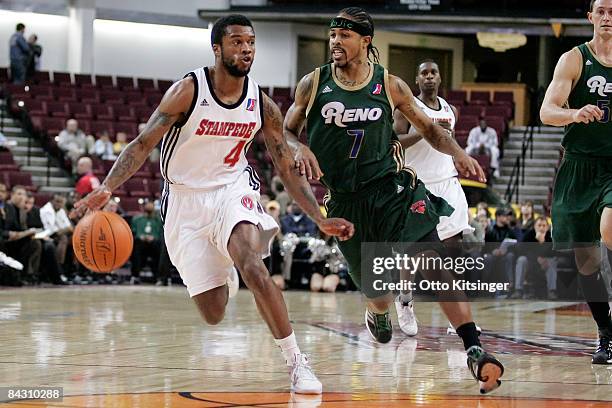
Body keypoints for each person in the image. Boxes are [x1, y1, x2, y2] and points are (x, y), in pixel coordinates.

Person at [75, 14, 354, 394]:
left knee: (254, 266)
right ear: (217, 48)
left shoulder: (261, 103)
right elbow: (142, 144)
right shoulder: (188, 91)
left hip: (231, 189)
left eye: (251, 42)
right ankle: (226, 268)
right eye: (237, 42)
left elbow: (286, 168)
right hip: (185, 201)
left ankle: (296, 362)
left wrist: (319, 218)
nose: (246, 49)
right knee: (213, 312)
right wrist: (108, 186)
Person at [283, 7, 503, 393]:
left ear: (366, 41)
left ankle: (474, 348)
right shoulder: (313, 83)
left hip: (393, 189)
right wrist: (298, 146)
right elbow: (285, 131)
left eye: (345, 35)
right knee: (378, 291)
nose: (335, 41)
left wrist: (459, 154)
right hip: (346, 201)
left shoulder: (390, 85)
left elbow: (430, 128)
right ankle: (377, 309)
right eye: (332, 34)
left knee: (433, 258)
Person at [540, 0, 612, 364]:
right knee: (585, 262)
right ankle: (606, 334)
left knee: (610, 227)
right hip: (579, 167)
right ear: (590, 17)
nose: (607, 17)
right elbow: (546, 111)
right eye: (601, 10)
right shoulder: (574, 59)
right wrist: (574, 112)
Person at [392, 59, 475, 337]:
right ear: (416, 80)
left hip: (447, 181)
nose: (429, 77)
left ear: (440, 78)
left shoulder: (451, 110)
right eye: (424, 73)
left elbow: (448, 141)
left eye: (433, 73)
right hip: (418, 183)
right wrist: (422, 133)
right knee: (414, 250)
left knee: (454, 246)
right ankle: (404, 298)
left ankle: (455, 314)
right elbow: (394, 142)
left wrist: (461, 156)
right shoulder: (407, 109)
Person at [3, 186, 42, 283]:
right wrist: (27, 232)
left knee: (35, 243)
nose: (22, 197)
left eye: (23, 194)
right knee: (32, 243)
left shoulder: (19, 209)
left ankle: (29, 274)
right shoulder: (7, 207)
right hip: (6, 239)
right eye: (19, 194)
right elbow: (8, 229)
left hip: (16, 239)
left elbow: (20, 228)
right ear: (11, 195)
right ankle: (24, 274)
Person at [513, 216, 557, 300]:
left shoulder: (551, 236)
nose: (541, 228)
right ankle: (518, 290)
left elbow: (554, 252)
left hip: (546, 260)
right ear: (534, 226)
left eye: (544, 226)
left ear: (547, 227)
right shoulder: (529, 234)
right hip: (531, 260)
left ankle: (552, 291)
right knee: (521, 260)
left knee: (552, 261)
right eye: (539, 225)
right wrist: (537, 257)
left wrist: (542, 243)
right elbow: (521, 250)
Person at [130, 200, 163, 285]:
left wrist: (153, 238)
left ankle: (159, 277)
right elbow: (132, 233)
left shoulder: (158, 220)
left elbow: (160, 235)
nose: (149, 205)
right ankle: (135, 276)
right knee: (136, 245)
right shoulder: (136, 219)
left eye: (151, 203)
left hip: (154, 245)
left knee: (159, 246)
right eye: (147, 203)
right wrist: (141, 237)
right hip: (141, 244)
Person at [40, 193, 73, 271]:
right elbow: (51, 231)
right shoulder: (46, 210)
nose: (59, 204)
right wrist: (65, 229)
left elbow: (70, 228)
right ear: (52, 201)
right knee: (63, 238)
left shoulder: (60, 210)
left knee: (76, 240)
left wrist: (65, 230)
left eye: (61, 202)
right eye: (57, 201)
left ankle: (74, 271)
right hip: (46, 236)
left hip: (57, 235)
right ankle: (58, 268)